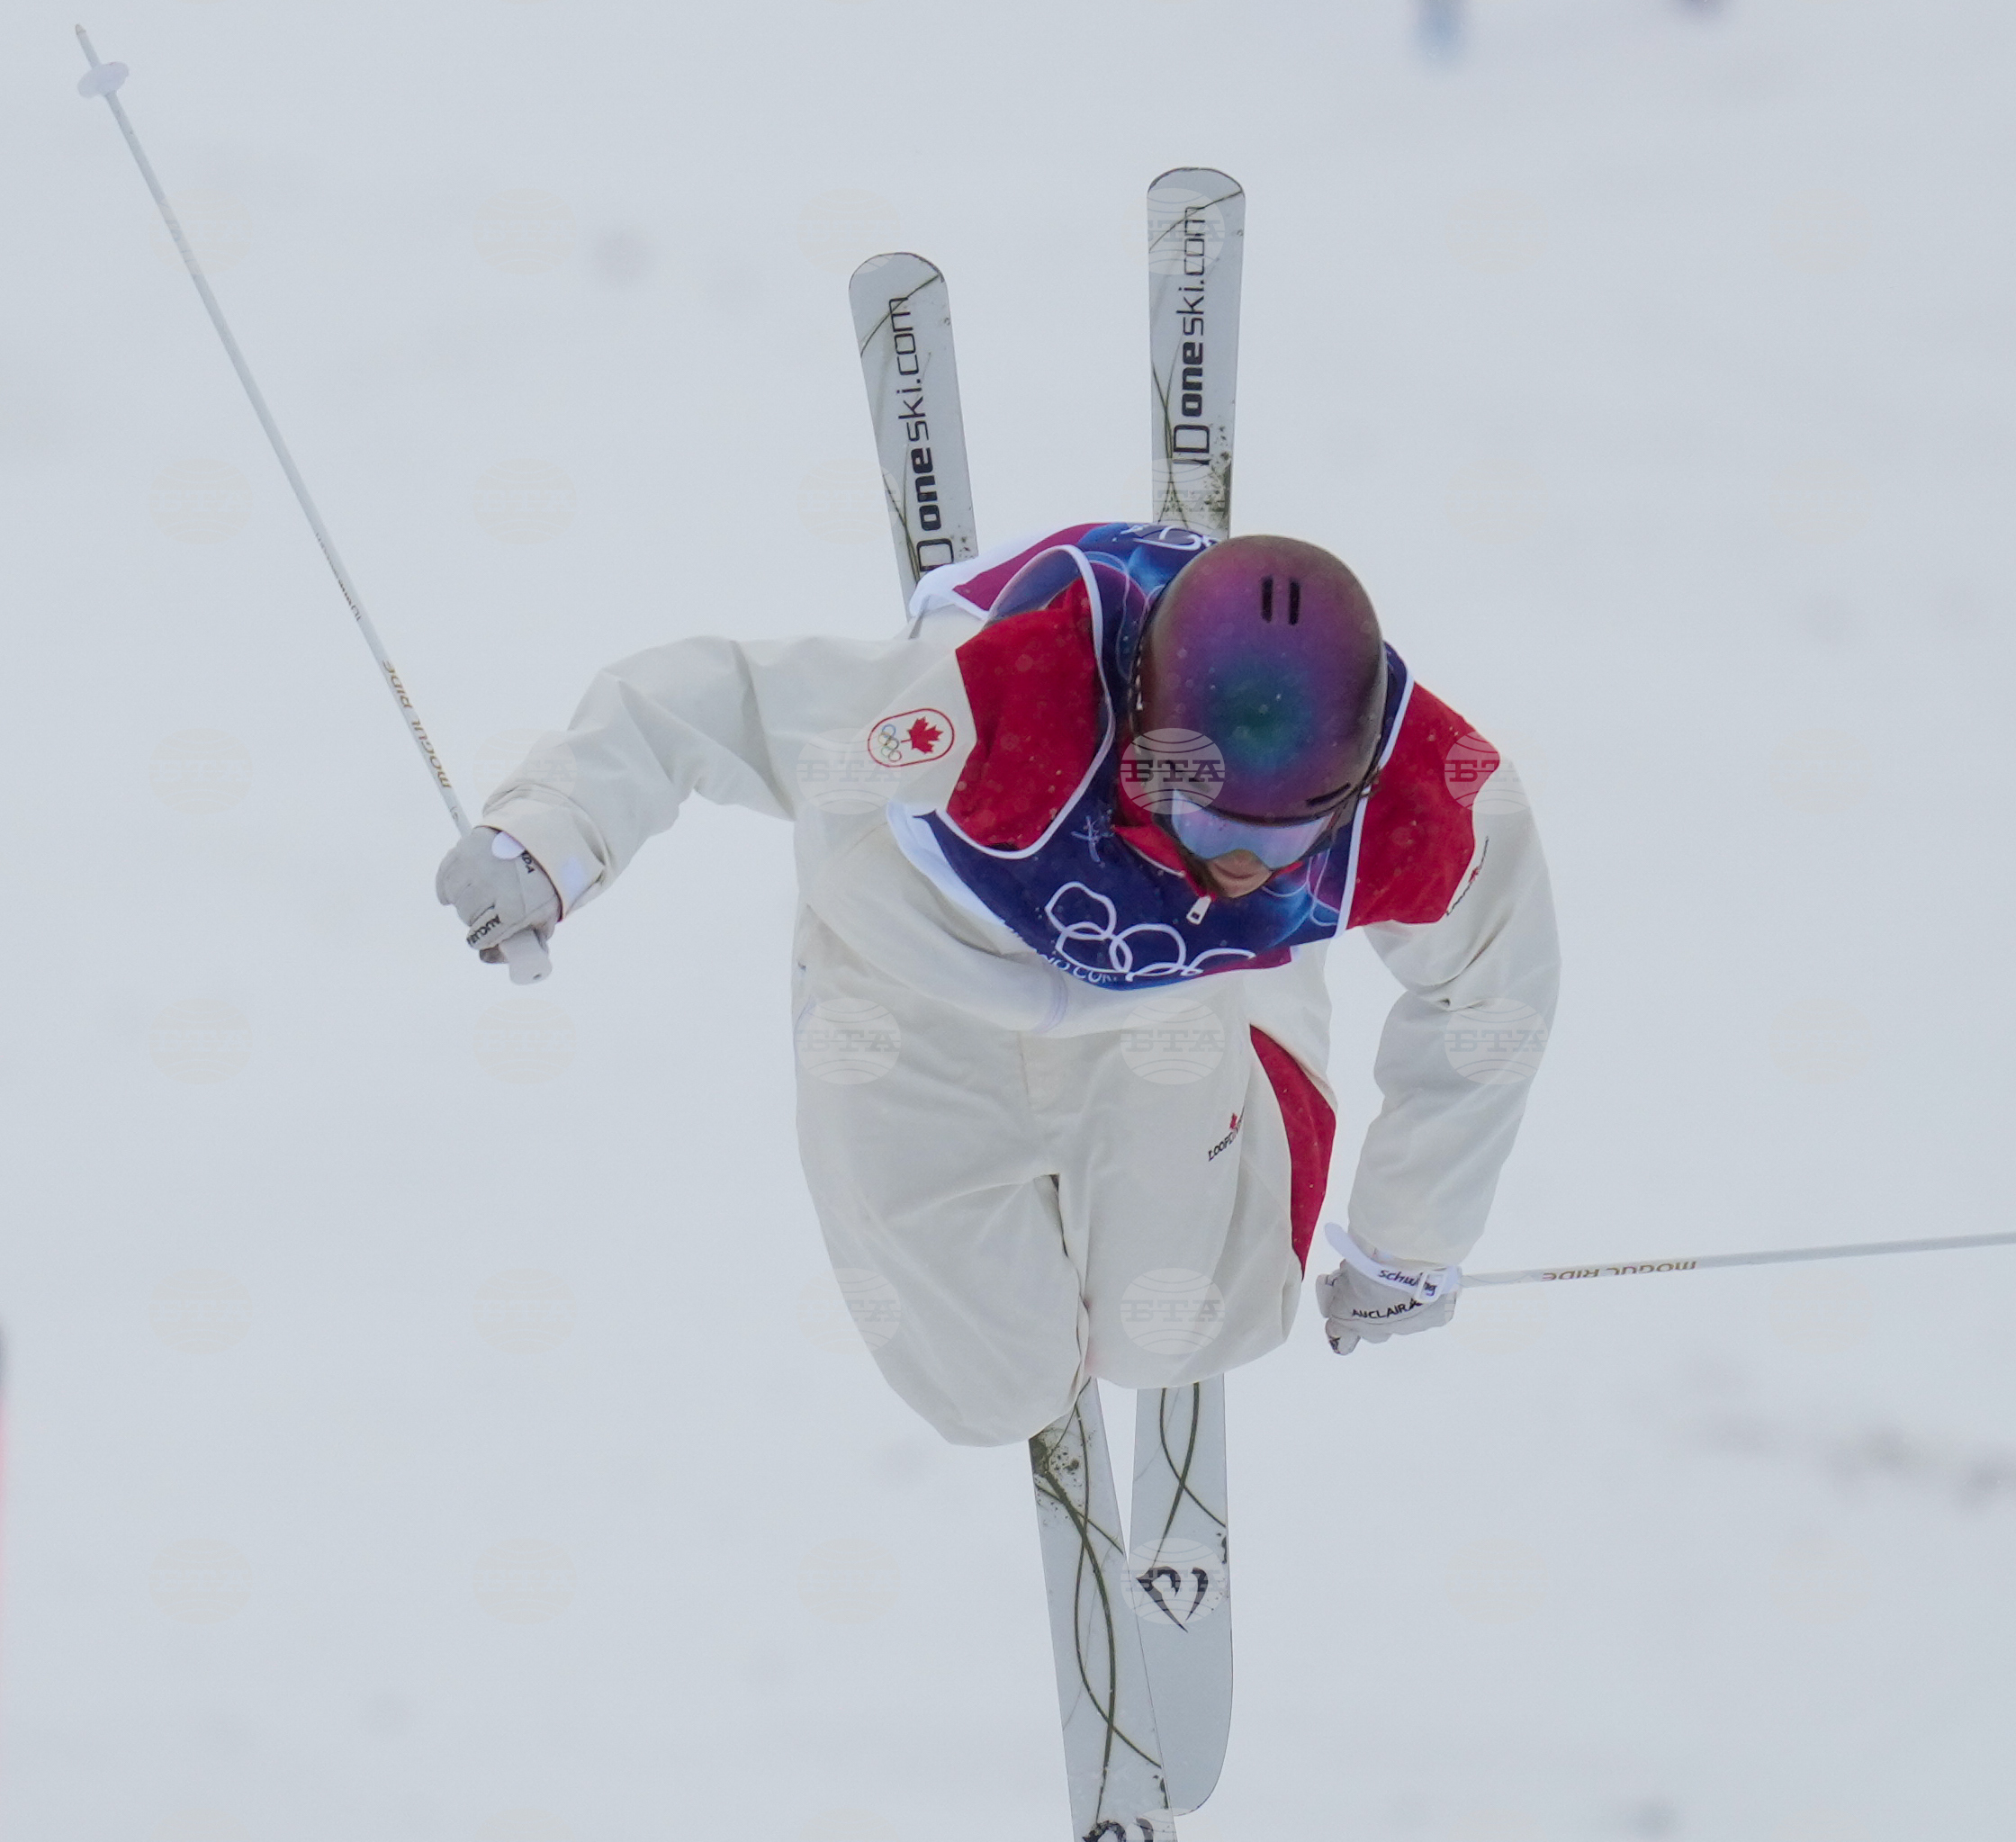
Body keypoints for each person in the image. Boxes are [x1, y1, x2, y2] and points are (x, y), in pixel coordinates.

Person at [436, 522, 1556, 1441]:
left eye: (1288, 833)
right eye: (1202, 808)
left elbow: (1494, 986)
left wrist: (1412, 1237)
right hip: (912, 999)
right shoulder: (1003, 700)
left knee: (1183, 1334)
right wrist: (551, 832)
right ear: (1137, 723)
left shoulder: (1422, 804)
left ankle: (1262, 1006)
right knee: (990, 1394)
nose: (1239, 861)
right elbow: (715, 699)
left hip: (1151, 1020)